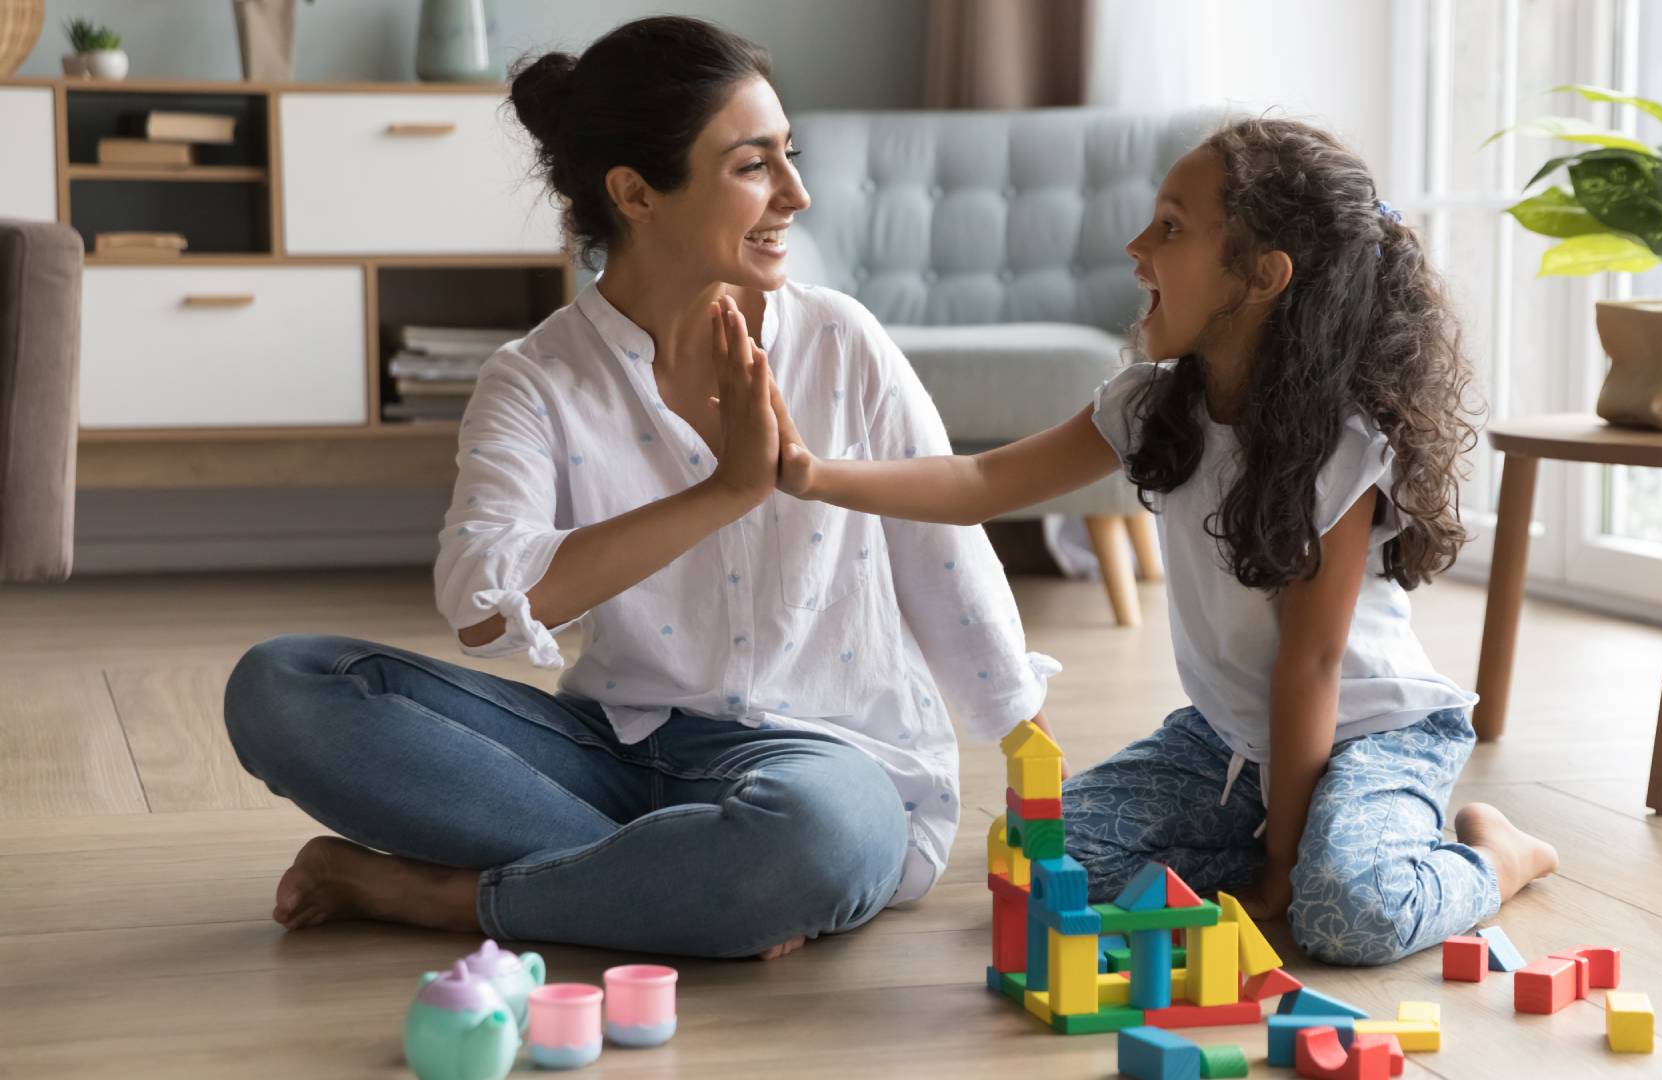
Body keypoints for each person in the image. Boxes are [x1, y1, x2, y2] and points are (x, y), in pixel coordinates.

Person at [222, 15, 1058, 961]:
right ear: (634, 193)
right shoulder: (535, 380)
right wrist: (726, 491)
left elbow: (941, 551)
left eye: (791, 155)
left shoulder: (839, 341)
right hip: (604, 756)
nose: (798, 193)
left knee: (819, 841)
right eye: (754, 166)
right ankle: (688, 886)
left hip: (819, 765)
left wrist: (1027, 745)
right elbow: (483, 608)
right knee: (283, 687)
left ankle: (454, 898)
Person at [768, 117, 1559, 964]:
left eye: (1172, 228)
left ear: (1261, 276)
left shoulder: (1340, 445)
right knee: (1040, 866)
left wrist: (1285, 876)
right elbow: (980, 485)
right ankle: (1302, 839)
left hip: (1368, 732)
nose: (1137, 245)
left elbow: (1312, 668)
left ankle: (1492, 853)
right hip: (1226, 741)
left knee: (1342, 918)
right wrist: (810, 473)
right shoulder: (1148, 404)